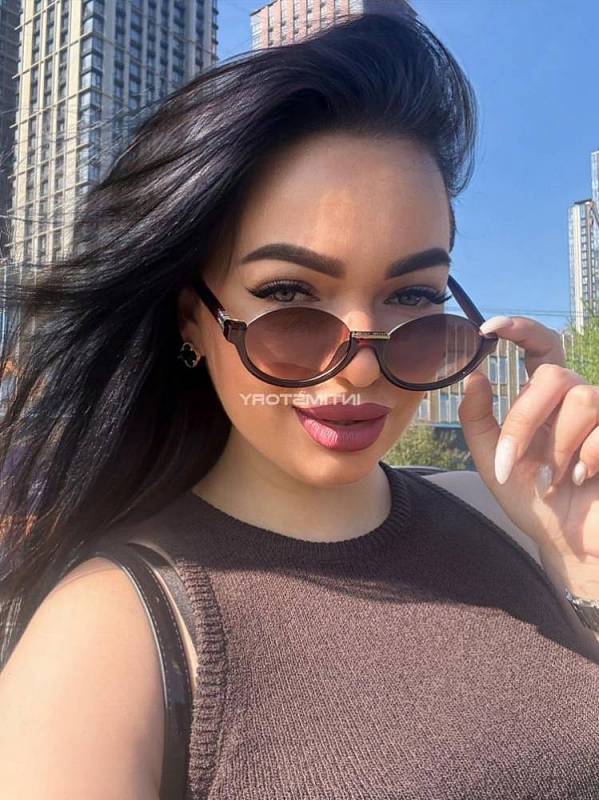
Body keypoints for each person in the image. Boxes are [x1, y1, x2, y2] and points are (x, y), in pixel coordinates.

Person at [1, 11, 599, 800]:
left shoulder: (509, 520)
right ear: (193, 320)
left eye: (411, 295)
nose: (360, 367)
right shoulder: (105, 640)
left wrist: (583, 565)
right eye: (288, 294)